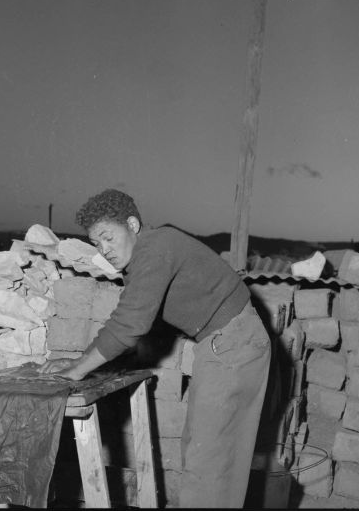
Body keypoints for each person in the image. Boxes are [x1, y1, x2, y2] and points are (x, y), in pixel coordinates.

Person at [39, 189, 271, 508]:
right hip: (227, 340)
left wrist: (76, 370)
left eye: (108, 237)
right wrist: (87, 361)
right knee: (205, 448)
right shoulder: (148, 252)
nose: (104, 250)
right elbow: (136, 320)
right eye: (96, 243)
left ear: (132, 224)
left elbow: (128, 324)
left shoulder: (154, 249)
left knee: (209, 460)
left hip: (232, 342)